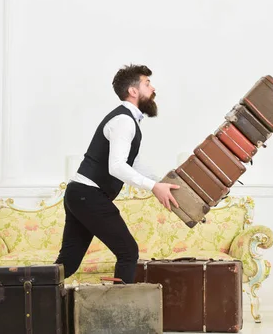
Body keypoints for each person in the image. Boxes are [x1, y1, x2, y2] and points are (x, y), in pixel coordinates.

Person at [54, 64, 179, 283]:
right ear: (133, 91)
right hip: (88, 195)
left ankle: (22, 303)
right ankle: (122, 316)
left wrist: (160, 182)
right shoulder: (123, 121)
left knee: (68, 264)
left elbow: (135, 162)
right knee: (128, 252)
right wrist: (153, 187)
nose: (153, 89)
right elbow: (117, 167)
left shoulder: (128, 120)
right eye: (147, 84)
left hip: (80, 193)